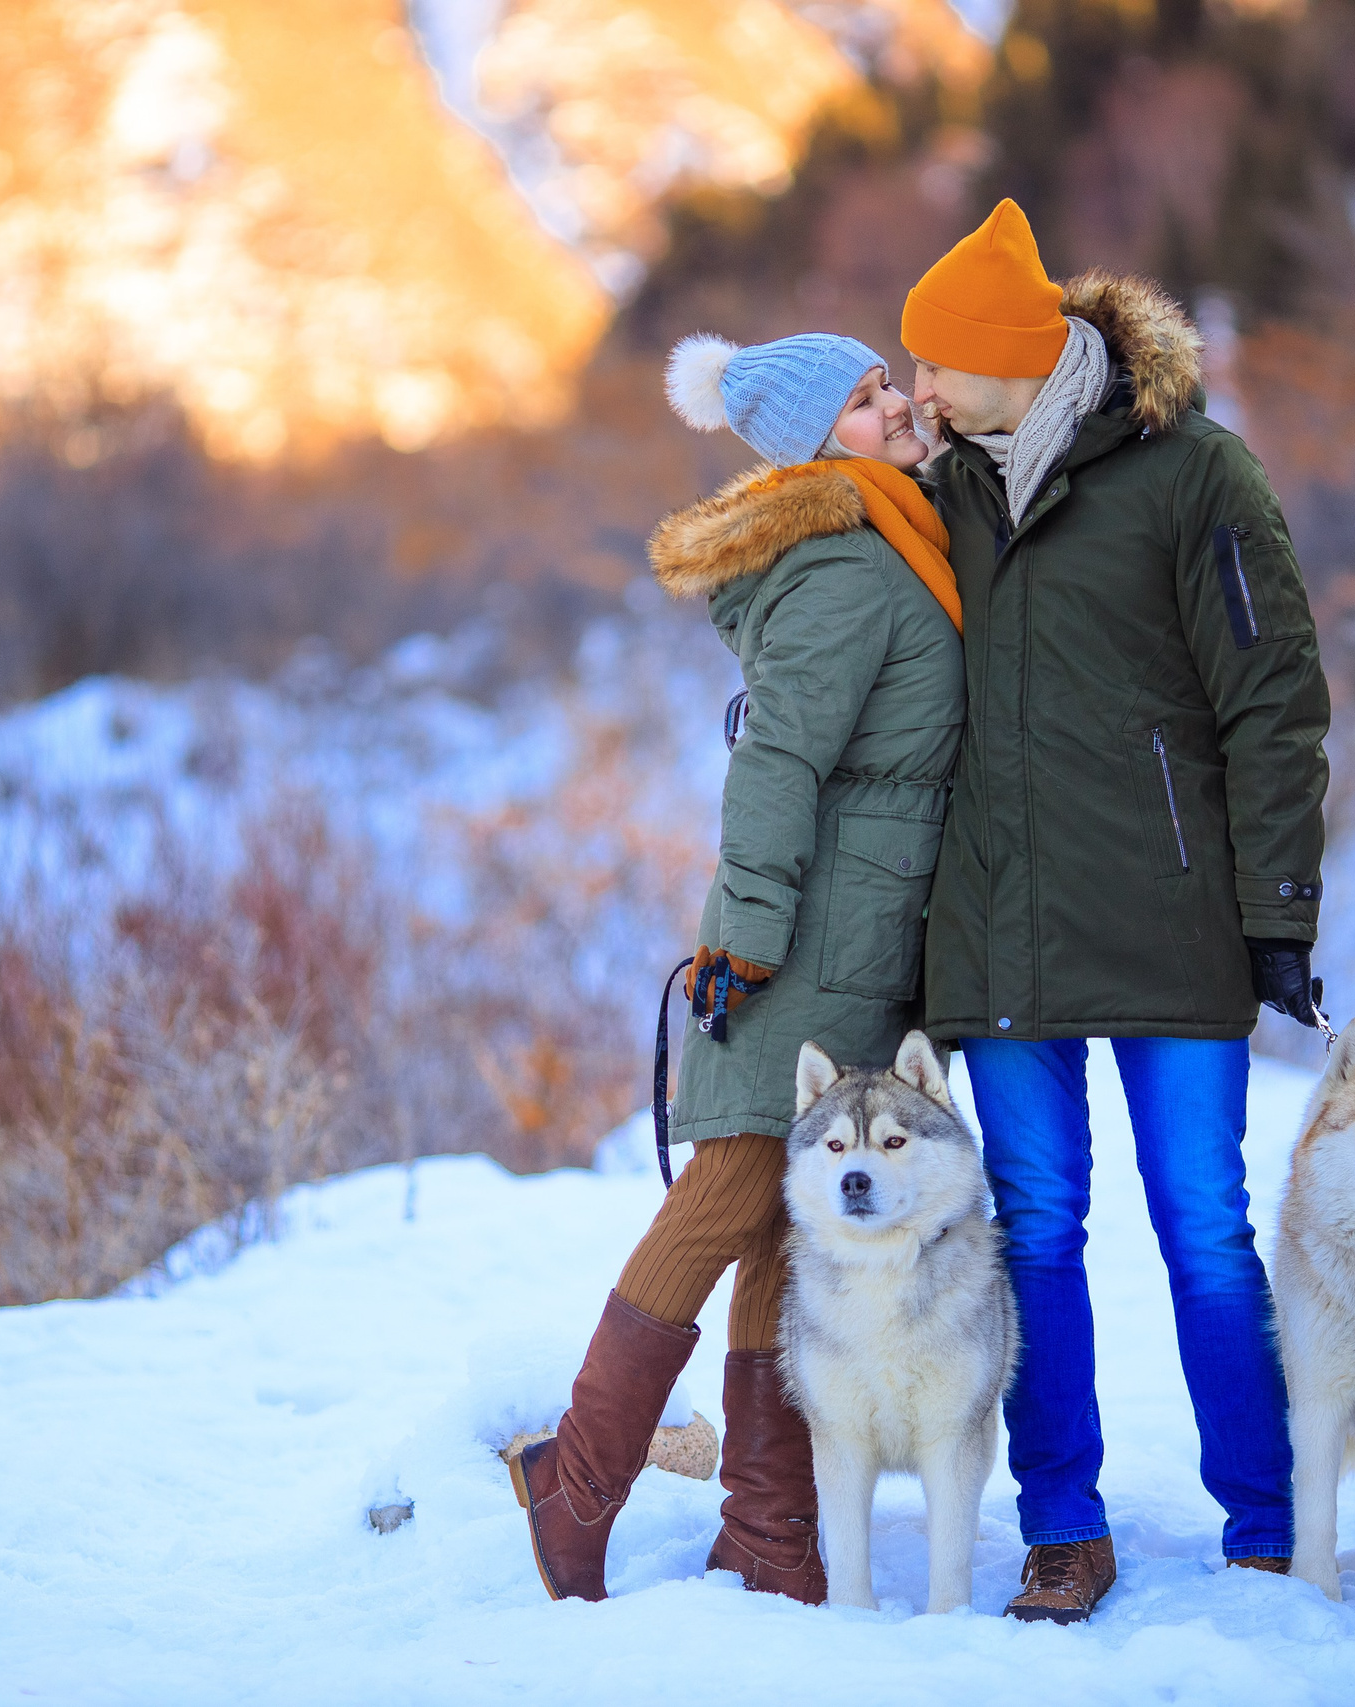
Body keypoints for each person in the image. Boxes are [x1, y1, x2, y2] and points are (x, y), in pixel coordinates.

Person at [901, 200, 1332, 1622]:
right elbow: (841, 599)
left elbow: (1275, 696)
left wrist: (1276, 906)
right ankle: (1061, 1525)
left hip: (1168, 909)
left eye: (936, 365)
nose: (916, 392)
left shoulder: (1193, 473)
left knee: (1202, 1223)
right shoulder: (939, 486)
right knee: (1032, 1225)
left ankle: (1268, 1518)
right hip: (1002, 916)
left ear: (1016, 356)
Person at [511, 330, 963, 1606]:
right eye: (867, 399)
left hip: (859, 934)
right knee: (729, 1190)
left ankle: (767, 1530)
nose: (895, 405)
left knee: (785, 1207)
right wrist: (750, 931)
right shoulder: (844, 567)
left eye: (889, 386)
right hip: (806, 939)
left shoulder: (897, 544)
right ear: (822, 440)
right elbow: (778, 765)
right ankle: (578, 1482)